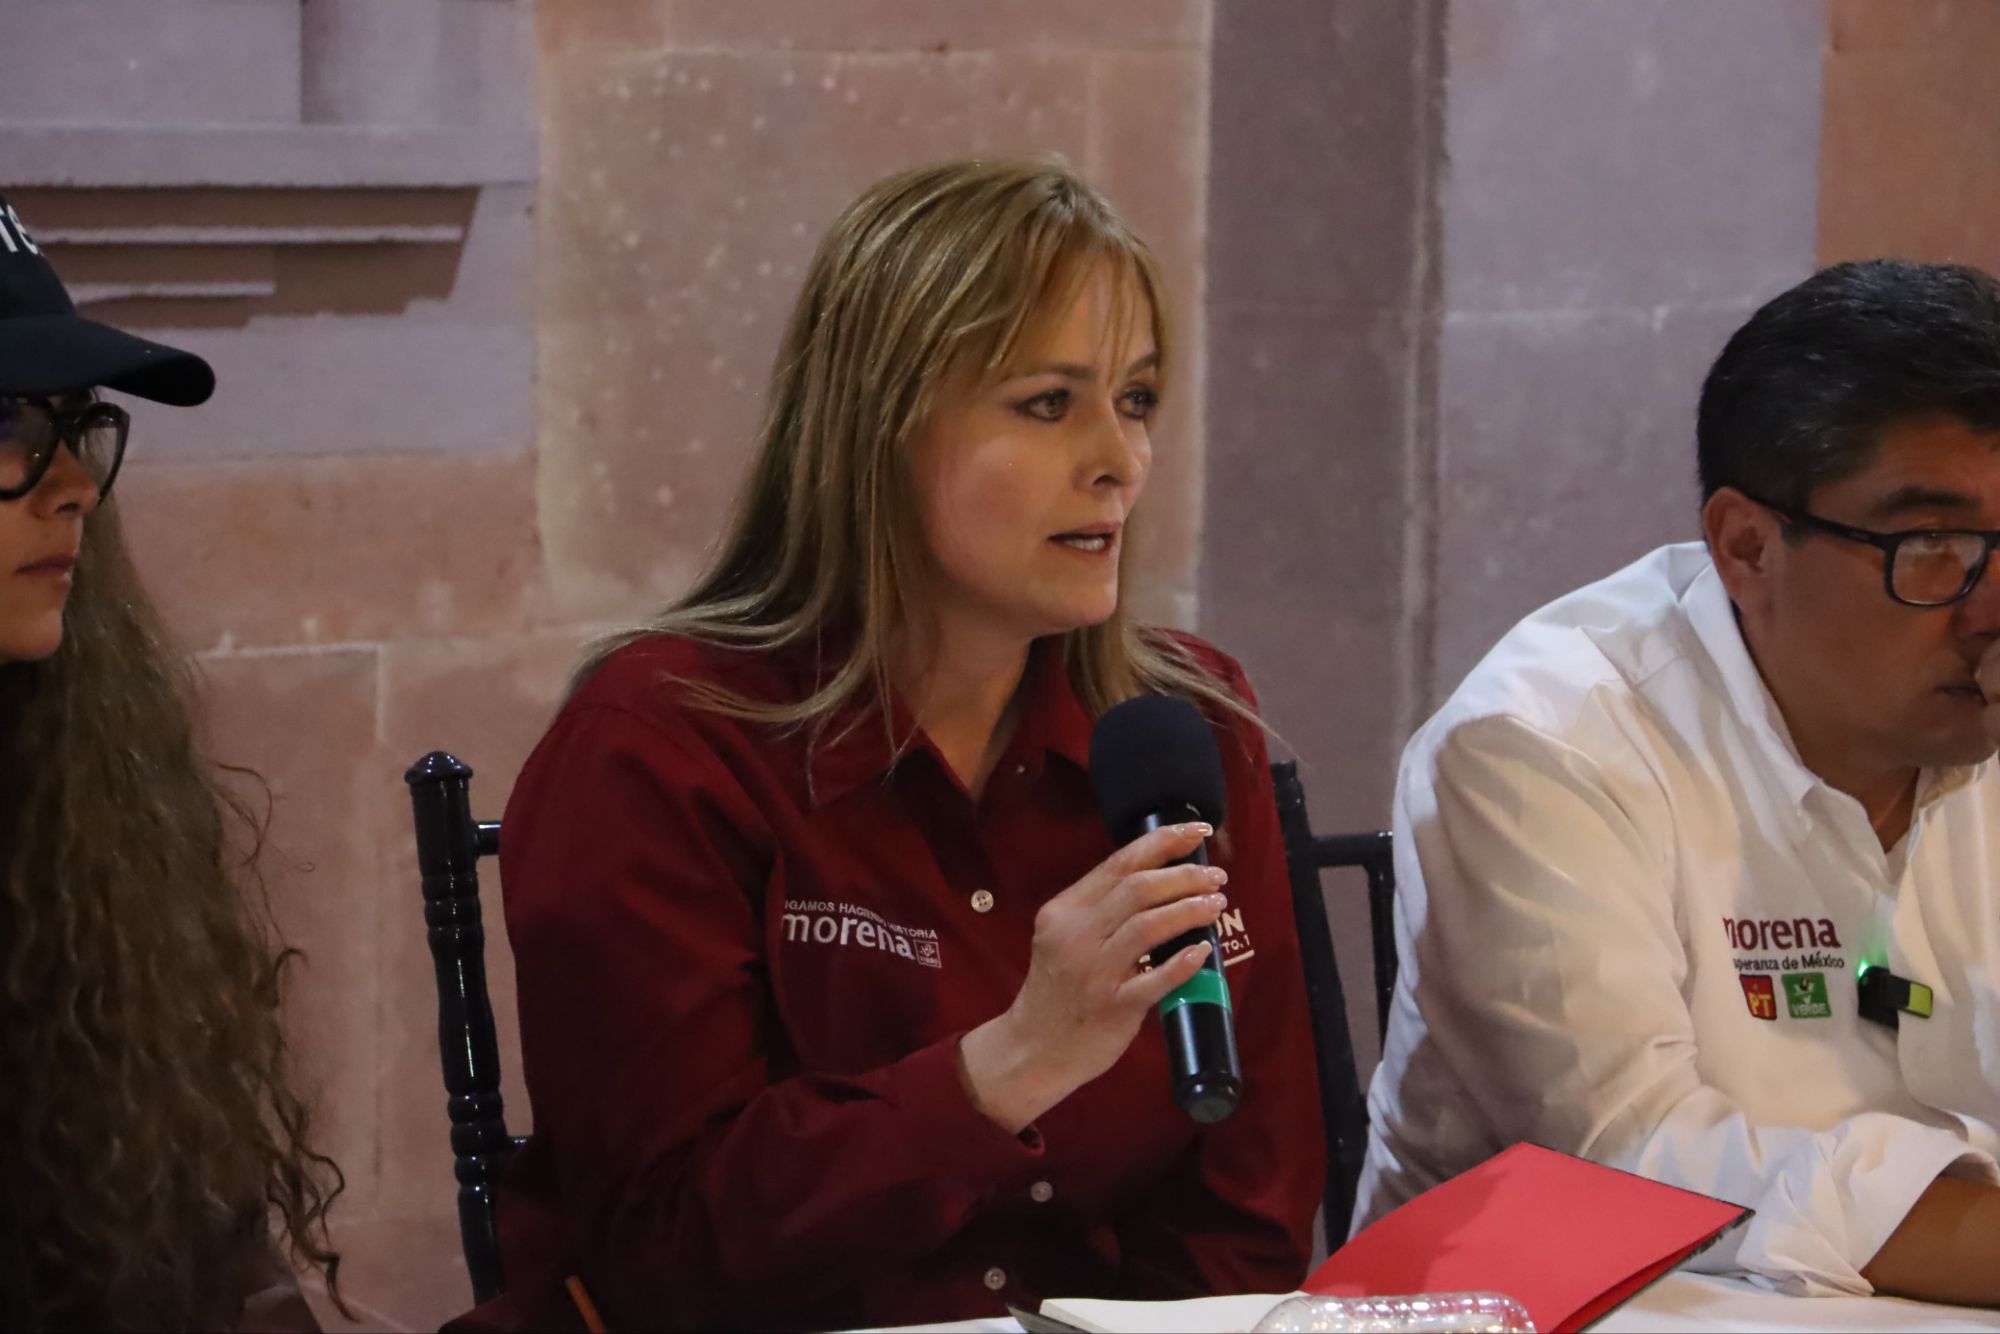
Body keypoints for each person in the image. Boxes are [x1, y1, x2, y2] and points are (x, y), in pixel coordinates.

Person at [489, 156, 1324, 1330]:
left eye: (1134, 400)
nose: (1119, 459)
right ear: (879, 429)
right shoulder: (660, 743)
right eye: (1048, 403)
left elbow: (1248, 1209)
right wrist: (1009, 1062)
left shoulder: (1182, 726)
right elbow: (666, 1252)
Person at [1358, 259, 2000, 1306]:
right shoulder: (1540, 746)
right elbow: (1643, 1161)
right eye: (1933, 547)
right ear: (1745, 545)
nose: (1986, 609)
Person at [0, 191, 343, 1330]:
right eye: (6, 429)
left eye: (73, 422)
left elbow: (202, 1248)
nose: (73, 483)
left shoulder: (65, 800)